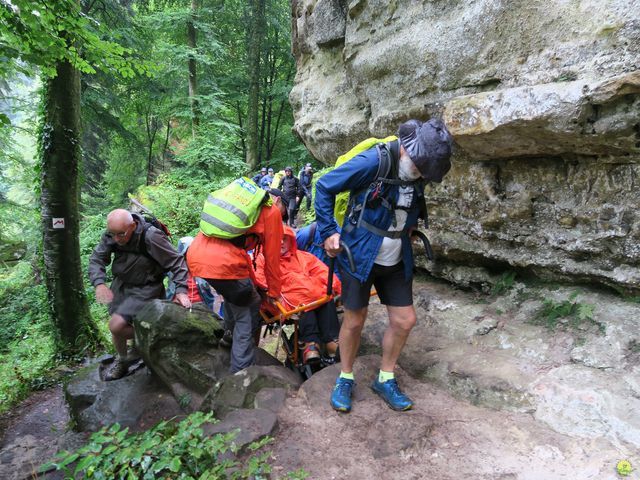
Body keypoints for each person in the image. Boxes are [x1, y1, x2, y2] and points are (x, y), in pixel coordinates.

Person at [315, 118, 453, 412]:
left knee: (405, 320)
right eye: (422, 167)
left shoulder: (418, 171)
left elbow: (410, 201)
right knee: (354, 319)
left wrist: (410, 227)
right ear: (409, 150)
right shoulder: (372, 162)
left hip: (396, 255)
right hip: (360, 253)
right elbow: (324, 186)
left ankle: (385, 377)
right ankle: (345, 377)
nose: (423, 175)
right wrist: (328, 232)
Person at [186, 187, 285, 373]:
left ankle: (228, 338)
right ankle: (239, 372)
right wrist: (274, 293)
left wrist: (255, 284)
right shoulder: (271, 213)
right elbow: (272, 258)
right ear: (277, 201)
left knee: (237, 295)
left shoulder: (238, 203)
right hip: (224, 264)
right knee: (248, 309)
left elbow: (242, 261)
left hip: (197, 256)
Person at [89, 209, 192, 381]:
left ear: (133, 225)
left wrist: (181, 291)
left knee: (116, 325)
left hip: (147, 288)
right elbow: (97, 259)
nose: (116, 239)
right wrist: (99, 282)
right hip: (121, 285)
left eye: (121, 234)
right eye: (112, 234)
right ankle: (124, 359)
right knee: (118, 327)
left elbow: (177, 262)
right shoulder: (114, 233)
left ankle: (154, 341)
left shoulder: (151, 237)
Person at [254, 226, 341, 364]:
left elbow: (322, 271)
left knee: (326, 295)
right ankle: (311, 343)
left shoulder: (303, 257)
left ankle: (330, 341)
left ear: (291, 241)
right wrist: (269, 291)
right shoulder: (262, 259)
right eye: (277, 239)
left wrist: (335, 287)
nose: (281, 242)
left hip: (311, 296)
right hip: (284, 301)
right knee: (304, 301)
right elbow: (259, 279)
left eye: (285, 239)